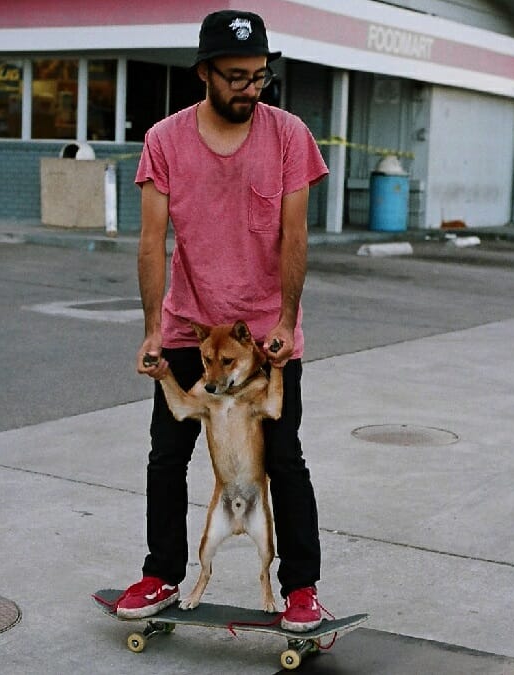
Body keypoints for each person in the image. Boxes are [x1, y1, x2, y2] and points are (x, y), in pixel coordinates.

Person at [116, 9, 329, 632]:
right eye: (236, 76)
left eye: (259, 75)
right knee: (167, 455)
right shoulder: (165, 140)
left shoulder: (290, 135)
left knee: (284, 459)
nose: (249, 88)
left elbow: (296, 236)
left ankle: (303, 590)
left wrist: (287, 320)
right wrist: (153, 329)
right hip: (188, 327)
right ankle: (161, 574)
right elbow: (152, 241)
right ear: (205, 72)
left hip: (265, 335)